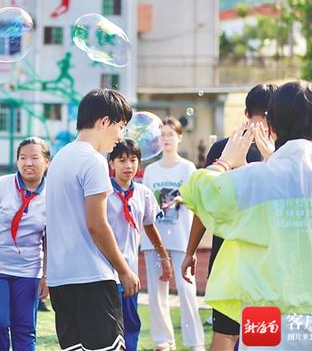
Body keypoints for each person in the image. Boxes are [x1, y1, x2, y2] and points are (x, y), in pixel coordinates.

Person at [180, 80, 312, 350]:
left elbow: (198, 191)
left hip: (266, 318)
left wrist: (226, 161)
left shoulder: (257, 178)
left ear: (272, 125)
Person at [181, 83, 276, 351]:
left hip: (228, 261)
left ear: (245, 113)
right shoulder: (281, 152)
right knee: (260, 335)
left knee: (226, 335)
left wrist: (191, 251)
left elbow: (203, 203)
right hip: (264, 260)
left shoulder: (225, 149)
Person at [45, 88, 140, 351]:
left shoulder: (60, 158)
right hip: (92, 279)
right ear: (104, 122)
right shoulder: (94, 161)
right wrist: (123, 269)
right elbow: (97, 225)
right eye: (121, 126)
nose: (120, 136)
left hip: (60, 280)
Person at [0, 137, 50, 351]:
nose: (28, 163)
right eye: (23, 158)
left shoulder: (53, 194)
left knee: (24, 330)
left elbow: (49, 238)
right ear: (17, 162)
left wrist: (46, 275)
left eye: (35, 158)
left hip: (28, 269)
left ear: (47, 162)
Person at [141, 117, 204, 351]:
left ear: (179, 137)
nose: (166, 138)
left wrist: (181, 198)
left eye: (170, 134)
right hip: (153, 240)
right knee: (156, 294)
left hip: (181, 238)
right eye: (162, 134)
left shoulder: (188, 168)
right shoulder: (150, 170)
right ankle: (162, 340)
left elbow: (196, 199)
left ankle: (194, 342)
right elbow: (146, 205)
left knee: (187, 291)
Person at [107, 139, 173, 351]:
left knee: (131, 324)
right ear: (112, 164)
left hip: (130, 273)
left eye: (133, 160)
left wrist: (164, 257)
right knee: (107, 327)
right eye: (122, 160)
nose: (128, 165)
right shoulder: (102, 192)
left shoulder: (143, 194)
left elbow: (150, 226)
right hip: (105, 272)